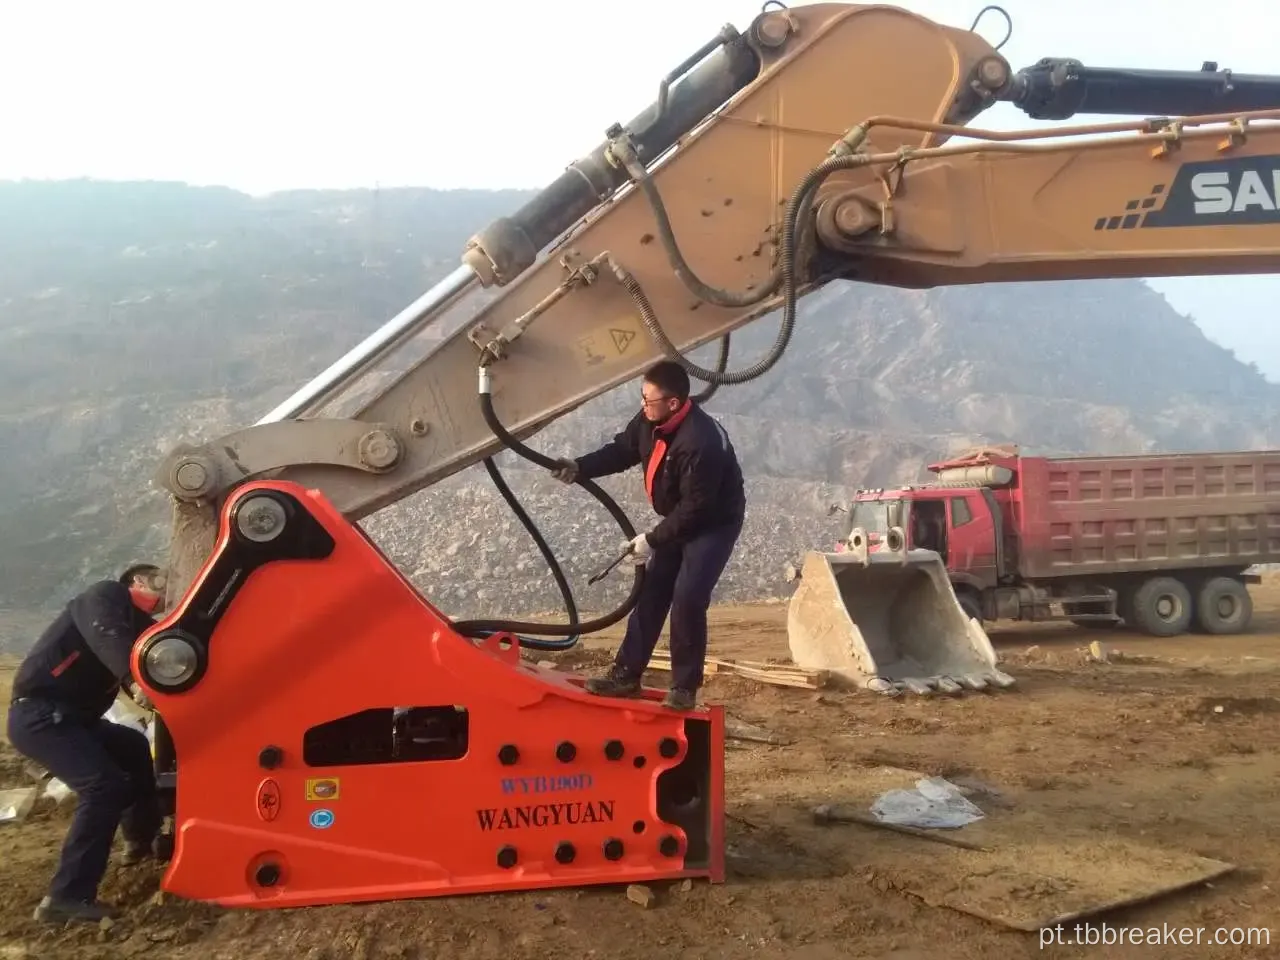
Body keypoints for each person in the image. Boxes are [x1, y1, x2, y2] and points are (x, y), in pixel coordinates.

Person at [551, 360, 745, 710]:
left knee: (687, 598)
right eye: (641, 397)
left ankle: (684, 688)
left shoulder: (700, 442)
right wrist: (581, 467)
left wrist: (652, 539)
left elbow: (696, 510)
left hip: (713, 526)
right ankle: (626, 676)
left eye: (648, 400)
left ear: (673, 403)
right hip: (680, 517)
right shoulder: (651, 420)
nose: (642, 405)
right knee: (653, 591)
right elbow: (622, 450)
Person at [6, 563, 168, 924]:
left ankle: (141, 839)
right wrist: (135, 679)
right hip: (41, 715)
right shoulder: (105, 596)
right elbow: (106, 635)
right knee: (103, 786)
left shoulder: (142, 630)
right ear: (136, 580)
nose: (164, 587)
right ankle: (65, 897)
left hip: (75, 720)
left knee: (132, 746)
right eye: (158, 579)